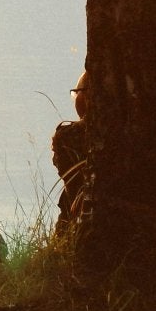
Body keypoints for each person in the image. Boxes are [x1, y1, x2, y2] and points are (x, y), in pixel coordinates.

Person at [50, 71, 92, 238]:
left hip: (75, 223)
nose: (75, 98)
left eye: (77, 93)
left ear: (88, 96)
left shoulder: (68, 136)